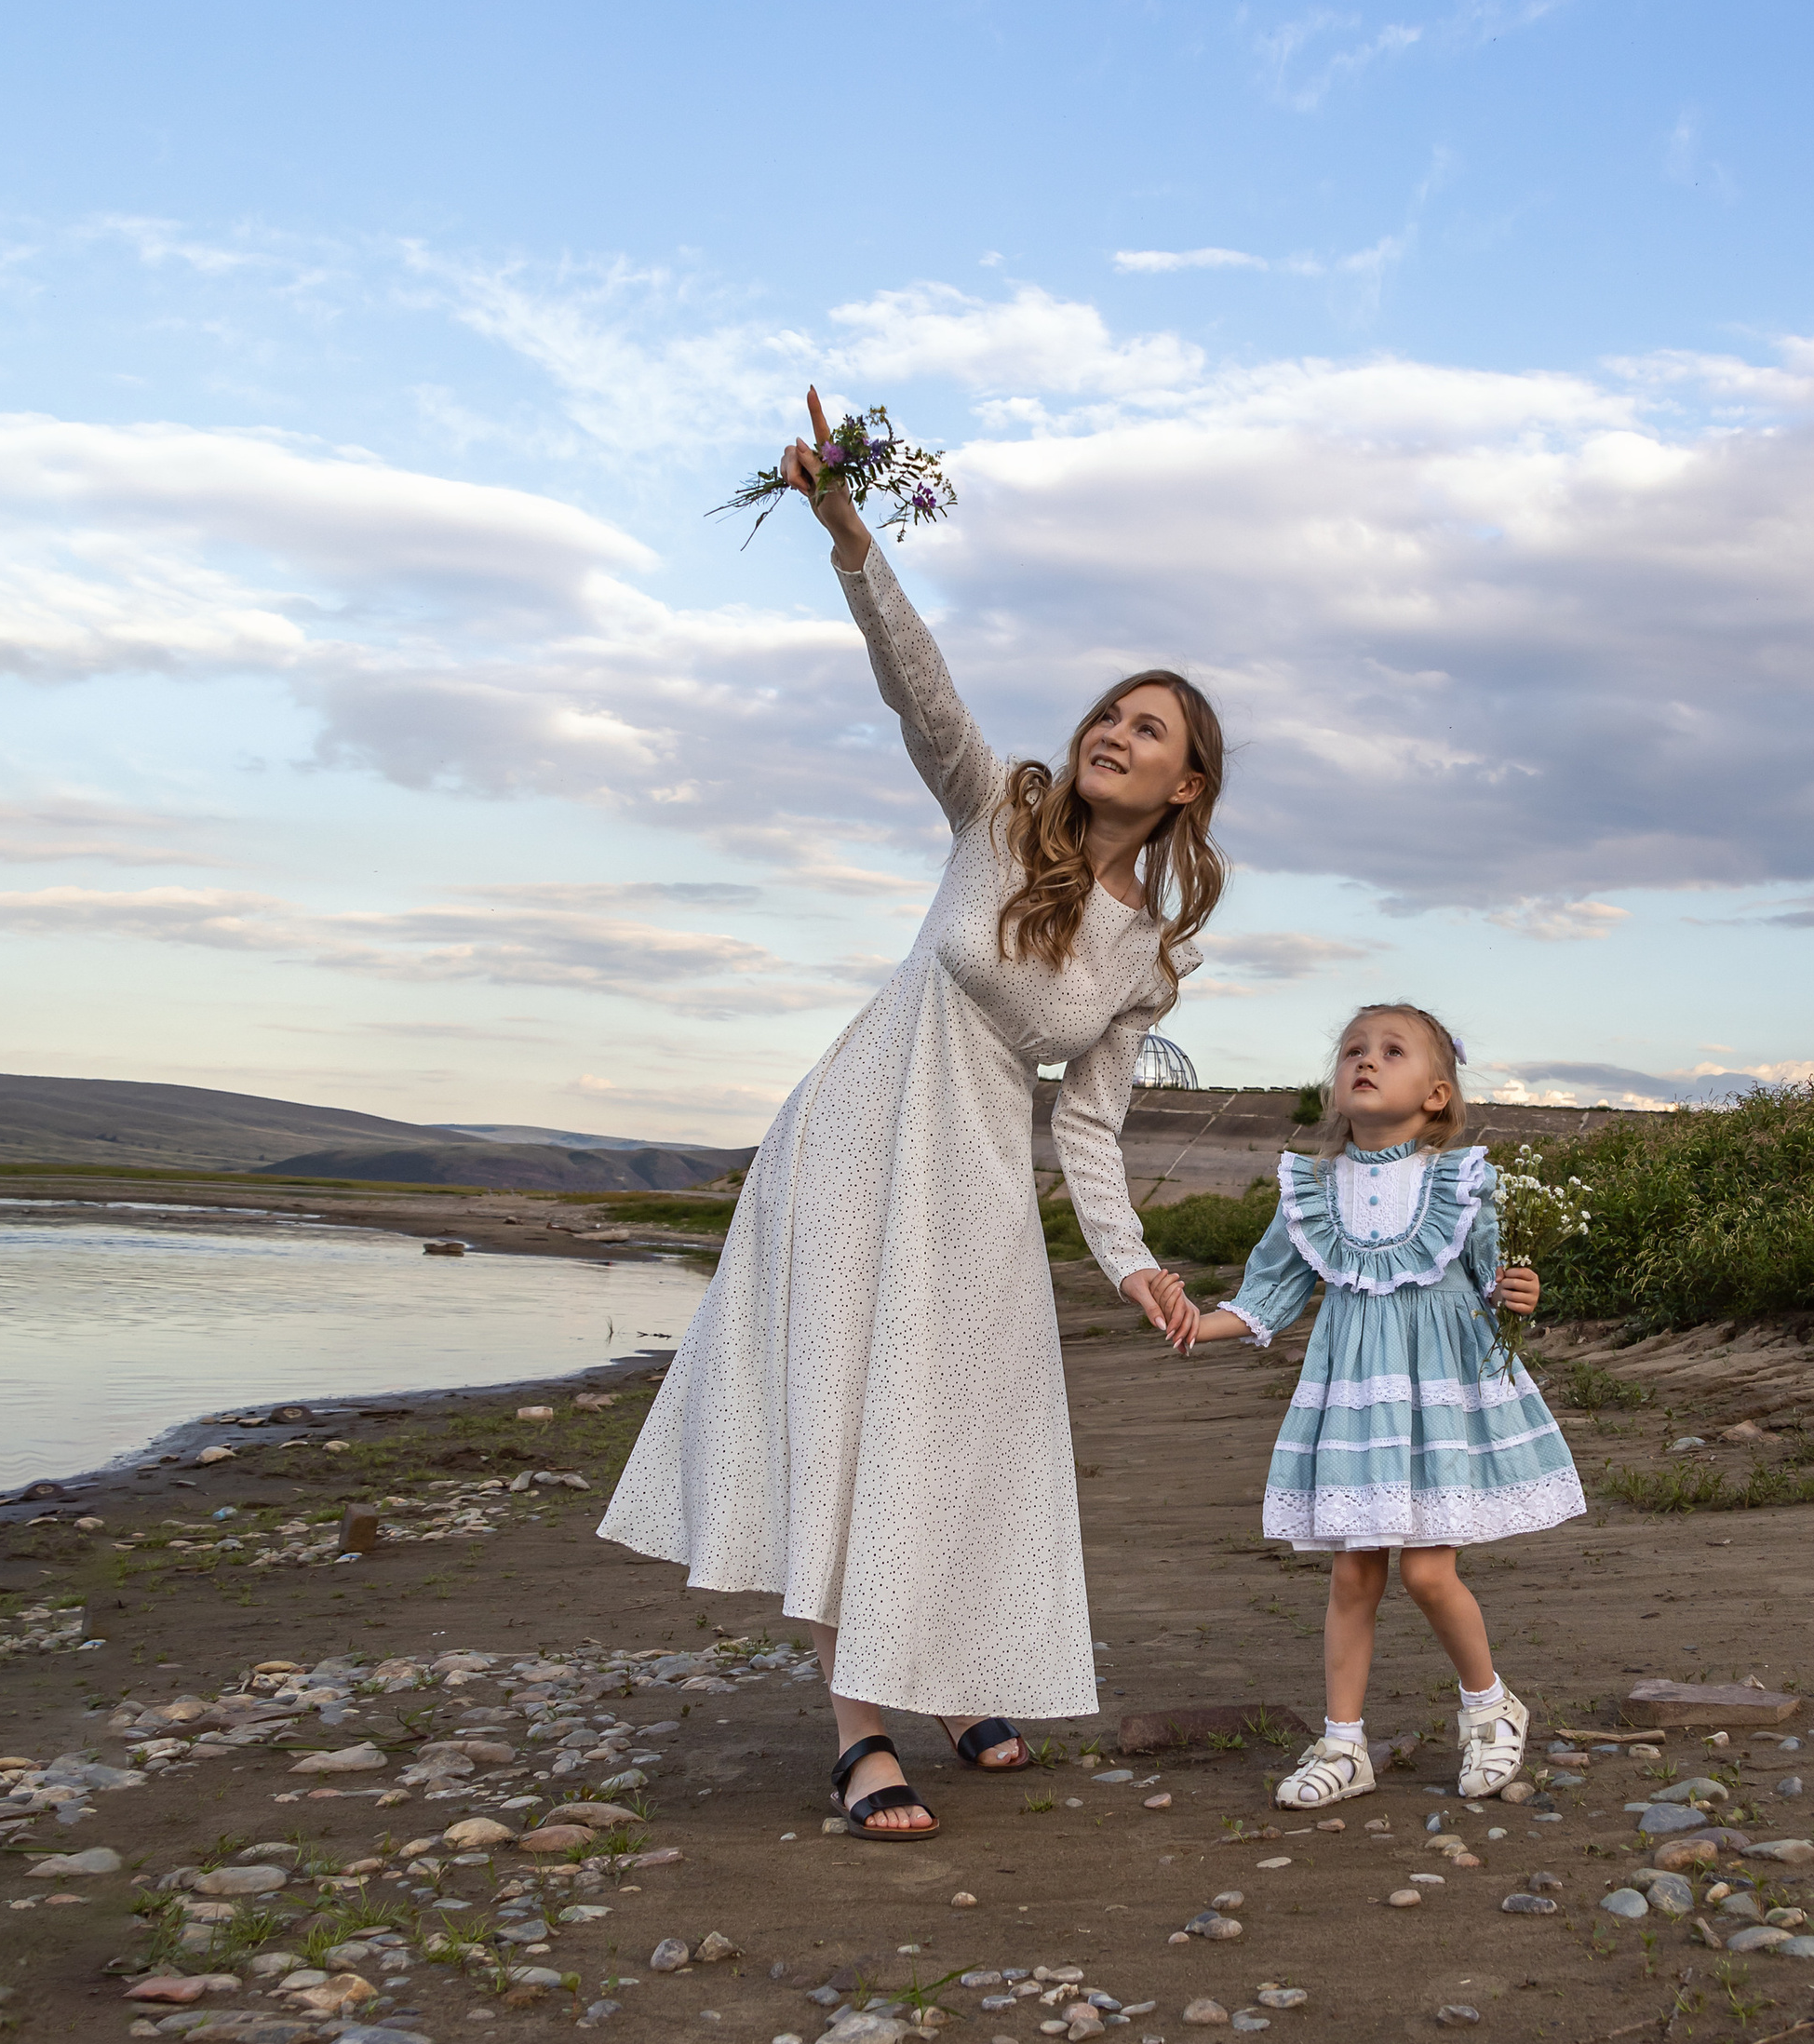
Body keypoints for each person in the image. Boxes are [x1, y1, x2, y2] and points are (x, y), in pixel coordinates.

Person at [598, 388, 1224, 1838]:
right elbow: (920, 687)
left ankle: (946, 1670)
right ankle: (859, 1727)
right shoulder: (997, 815)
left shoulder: (1147, 958)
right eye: (1109, 715)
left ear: (1188, 785)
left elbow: (1088, 1130)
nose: (1115, 734)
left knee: (957, 1436)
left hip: (976, 1195)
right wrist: (844, 530)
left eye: (1150, 730)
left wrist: (1131, 1263)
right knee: (851, 1425)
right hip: (852, 1144)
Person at [1171, 1002, 1583, 1806]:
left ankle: (1491, 1709)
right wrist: (1197, 1323)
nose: (1366, 1059)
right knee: (1353, 1577)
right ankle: (1343, 1745)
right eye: (1353, 1049)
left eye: (1392, 1051)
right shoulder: (1312, 1189)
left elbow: (1502, 1286)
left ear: (1435, 1093)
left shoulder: (1460, 1180)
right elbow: (1267, 1297)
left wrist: (1521, 1293)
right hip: (1356, 1408)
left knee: (1430, 1573)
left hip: (1436, 1404)